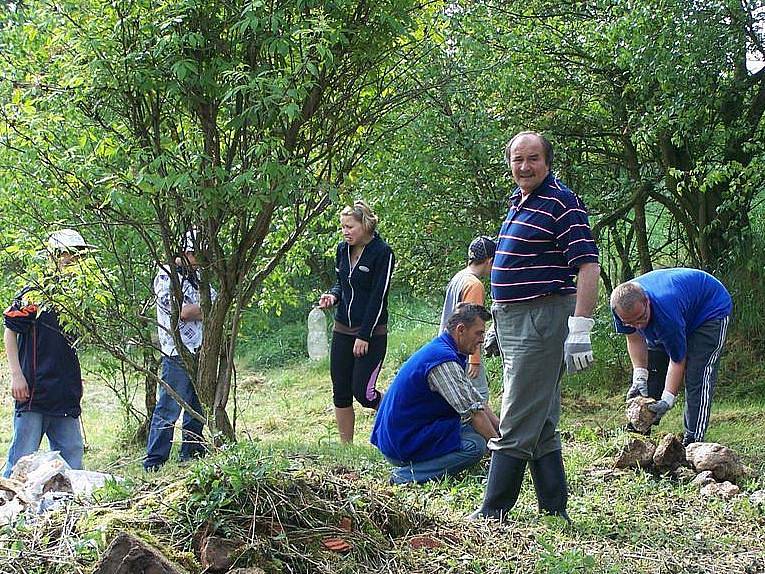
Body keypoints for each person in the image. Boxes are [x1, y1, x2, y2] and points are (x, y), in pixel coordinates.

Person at [472, 131, 600, 521]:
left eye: (533, 159)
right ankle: (553, 508)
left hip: (543, 319)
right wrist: (499, 320)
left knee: (515, 415)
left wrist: (580, 327)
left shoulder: (562, 203)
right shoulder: (521, 200)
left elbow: (588, 266)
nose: (524, 167)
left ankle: (492, 511)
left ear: (547, 162)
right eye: (517, 160)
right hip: (514, 321)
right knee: (539, 419)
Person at [371, 303, 499, 484]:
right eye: (479, 333)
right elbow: (474, 414)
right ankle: (405, 476)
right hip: (402, 442)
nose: (482, 339)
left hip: (407, 431)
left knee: (486, 429)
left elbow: (476, 401)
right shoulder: (443, 361)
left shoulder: (445, 350)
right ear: (461, 330)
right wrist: (503, 453)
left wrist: (502, 434)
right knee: (476, 445)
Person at [3, 229, 94, 478]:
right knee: (22, 456)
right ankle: (7, 509)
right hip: (34, 390)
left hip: (64, 391)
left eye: (78, 255)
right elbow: (10, 330)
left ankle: (69, 509)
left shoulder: (79, 297)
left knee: (72, 454)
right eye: (68, 254)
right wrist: (16, 375)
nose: (73, 260)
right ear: (54, 256)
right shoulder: (35, 294)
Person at [610, 268, 732, 446]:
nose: (638, 325)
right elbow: (634, 339)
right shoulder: (620, 306)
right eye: (630, 322)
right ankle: (641, 426)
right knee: (653, 367)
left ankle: (693, 439)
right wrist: (639, 378)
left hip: (709, 311)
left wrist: (668, 400)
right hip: (678, 308)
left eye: (641, 318)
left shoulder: (666, 312)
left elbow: (677, 360)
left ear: (647, 302)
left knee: (698, 374)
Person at [318, 200, 395, 444]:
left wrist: (364, 335)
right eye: (342, 227)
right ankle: (346, 447)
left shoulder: (383, 253)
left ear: (365, 224)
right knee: (340, 390)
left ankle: (394, 415)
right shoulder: (342, 250)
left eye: (350, 227)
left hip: (371, 333)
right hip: (342, 329)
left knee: (364, 392)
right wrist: (333, 295)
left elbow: (378, 297)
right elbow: (341, 283)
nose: (345, 232)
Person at [144, 231, 215, 471]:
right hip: (176, 351)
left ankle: (192, 451)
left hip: (201, 348)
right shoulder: (166, 276)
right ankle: (155, 460)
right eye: (193, 253)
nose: (197, 258)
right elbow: (183, 312)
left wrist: (208, 308)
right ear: (181, 253)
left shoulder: (199, 277)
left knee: (198, 403)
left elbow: (215, 303)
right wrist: (208, 308)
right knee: (169, 406)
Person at [439, 236, 500, 432]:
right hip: (463, 351)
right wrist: (474, 359)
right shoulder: (474, 285)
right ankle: (485, 444)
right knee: (478, 399)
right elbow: (473, 325)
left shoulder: (459, 277)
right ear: (490, 260)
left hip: (447, 345)